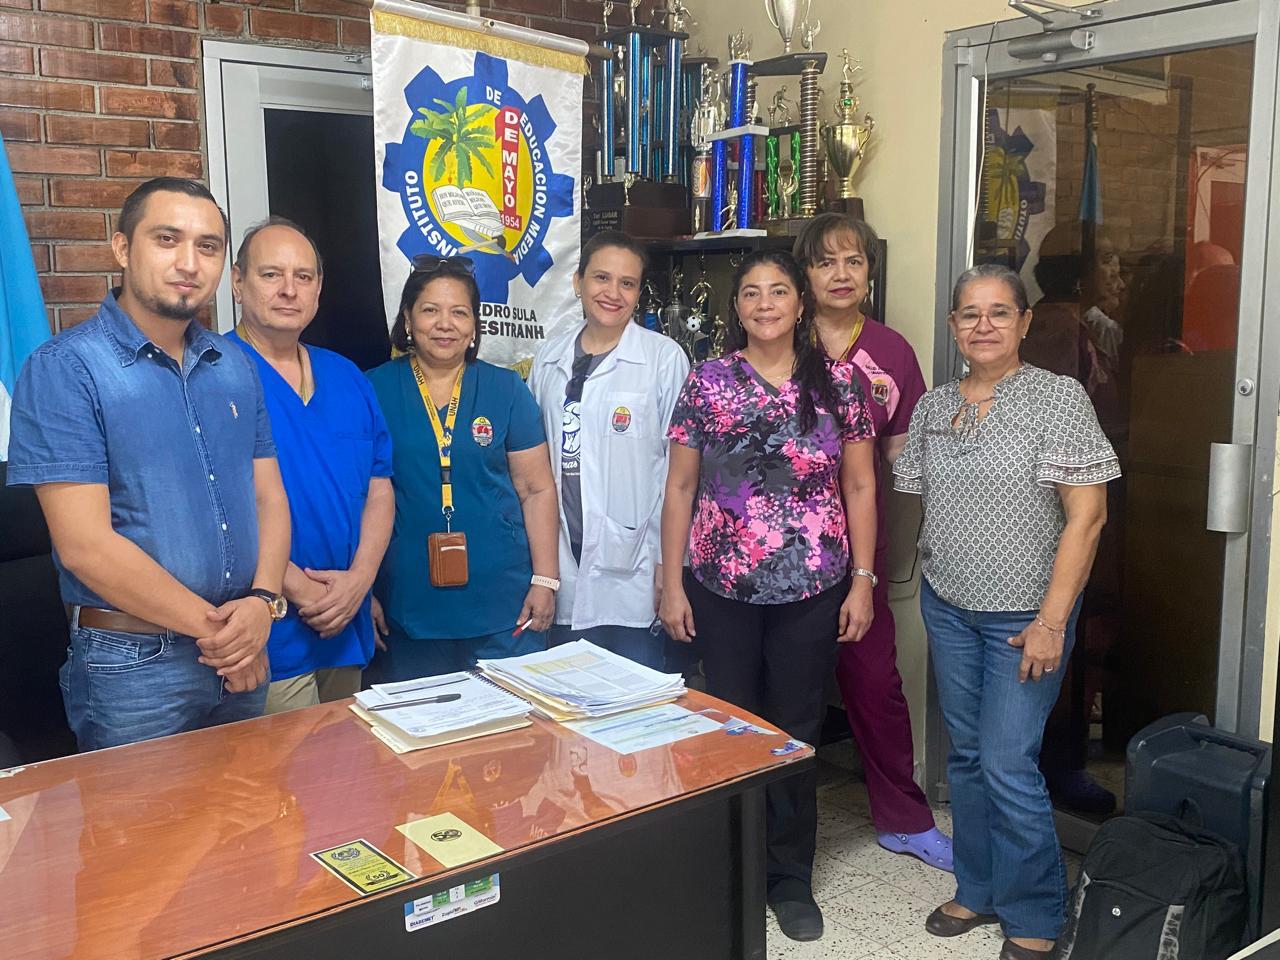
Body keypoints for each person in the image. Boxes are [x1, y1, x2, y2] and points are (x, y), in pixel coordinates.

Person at [5, 177, 291, 751]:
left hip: (243, 646)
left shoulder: (235, 365)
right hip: (135, 665)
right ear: (122, 247)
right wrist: (227, 636)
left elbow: (269, 497)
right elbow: (85, 546)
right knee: (142, 814)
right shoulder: (66, 369)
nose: (188, 262)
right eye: (167, 239)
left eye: (207, 246)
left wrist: (262, 604)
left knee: (247, 806)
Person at [895, 264, 1119, 960]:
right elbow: (925, 501)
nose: (983, 325)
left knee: (1006, 762)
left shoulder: (1058, 399)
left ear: (1024, 322)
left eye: (999, 312)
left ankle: (1037, 914)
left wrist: (1053, 621)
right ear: (954, 326)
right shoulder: (934, 408)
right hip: (949, 605)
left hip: (1026, 618)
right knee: (966, 756)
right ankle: (979, 888)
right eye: (969, 313)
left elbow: (1088, 517)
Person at [660, 249, 878, 942]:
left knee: (794, 730)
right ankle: (732, 868)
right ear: (737, 308)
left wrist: (864, 580)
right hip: (720, 584)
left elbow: (861, 484)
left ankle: (788, 877)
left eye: (778, 291)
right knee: (730, 727)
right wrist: (671, 582)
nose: (764, 304)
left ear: (800, 303)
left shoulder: (840, 383)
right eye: (750, 293)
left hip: (812, 586)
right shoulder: (708, 381)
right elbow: (680, 487)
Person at [794, 212, 953, 872]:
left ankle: (905, 820)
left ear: (870, 272)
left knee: (875, 684)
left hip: (860, 553)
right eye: (825, 262)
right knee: (785, 693)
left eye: (853, 261)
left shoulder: (891, 352)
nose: (840, 274)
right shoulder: (778, 337)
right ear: (805, 275)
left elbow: (905, 459)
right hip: (778, 558)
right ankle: (770, 828)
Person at [226, 217, 394, 712]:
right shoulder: (212, 373)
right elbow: (210, 509)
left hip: (343, 622)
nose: (288, 290)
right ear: (237, 283)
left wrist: (360, 581)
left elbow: (379, 488)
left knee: (344, 758)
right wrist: (298, 588)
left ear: (318, 290)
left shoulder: (347, 377)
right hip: (267, 628)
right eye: (271, 274)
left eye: (303, 277)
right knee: (283, 762)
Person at [366, 256, 559, 679]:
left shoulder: (506, 389)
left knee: (511, 718)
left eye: (459, 312)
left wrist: (546, 579)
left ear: (474, 326)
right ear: (407, 319)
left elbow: (536, 489)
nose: (445, 324)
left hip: (504, 603)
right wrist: (363, 592)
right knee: (421, 718)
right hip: (408, 605)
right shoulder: (373, 389)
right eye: (430, 310)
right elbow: (357, 497)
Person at [528, 230, 689, 669]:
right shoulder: (549, 358)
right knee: (565, 696)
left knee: (637, 698)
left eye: (627, 283)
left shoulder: (664, 359)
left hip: (635, 567)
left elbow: (679, 477)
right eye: (601, 278)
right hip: (563, 564)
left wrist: (668, 567)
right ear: (577, 282)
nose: (613, 293)